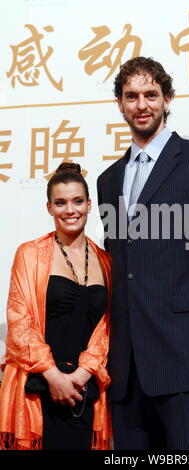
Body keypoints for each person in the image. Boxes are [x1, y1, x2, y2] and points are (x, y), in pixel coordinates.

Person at [97, 57, 189, 450]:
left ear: (167, 100)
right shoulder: (108, 180)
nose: (141, 104)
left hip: (186, 359)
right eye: (132, 96)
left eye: (150, 95)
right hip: (126, 369)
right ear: (120, 104)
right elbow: (123, 268)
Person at [0, 163, 111, 450]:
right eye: (60, 203)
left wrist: (80, 375)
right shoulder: (30, 254)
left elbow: (108, 329)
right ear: (49, 208)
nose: (70, 210)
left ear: (89, 205)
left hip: (84, 393)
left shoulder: (106, 261)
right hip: (36, 391)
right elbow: (19, 322)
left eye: (77, 201)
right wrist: (54, 377)